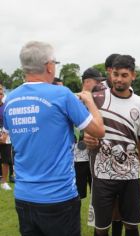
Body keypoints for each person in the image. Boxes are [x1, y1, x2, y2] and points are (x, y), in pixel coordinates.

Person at [3, 41, 104, 236]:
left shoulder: (10, 100)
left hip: (23, 196)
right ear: (49, 65)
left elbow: (10, 132)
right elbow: (98, 130)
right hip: (58, 196)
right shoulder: (61, 94)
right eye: (55, 63)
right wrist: (90, 101)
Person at [84, 55, 140, 236]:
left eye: (124, 75)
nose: (118, 79)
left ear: (133, 76)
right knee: (101, 227)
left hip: (130, 175)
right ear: (110, 74)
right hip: (102, 175)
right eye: (115, 74)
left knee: (131, 225)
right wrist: (87, 137)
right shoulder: (97, 98)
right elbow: (87, 130)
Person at [74, 67, 104, 200]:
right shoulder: (74, 100)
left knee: (98, 191)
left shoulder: (100, 100)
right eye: (96, 81)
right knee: (76, 193)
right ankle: (75, 220)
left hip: (97, 153)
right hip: (77, 154)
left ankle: (98, 219)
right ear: (86, 82)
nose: (100, 84)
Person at [0, 87, 12, 190]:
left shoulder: (6, 107)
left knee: (6, 159)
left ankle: (4, 182)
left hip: (5, 136)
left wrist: (5, 135)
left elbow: (8, 122)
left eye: (1, 94)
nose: (0, 96)